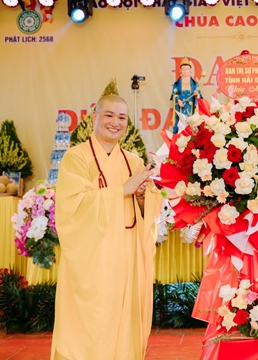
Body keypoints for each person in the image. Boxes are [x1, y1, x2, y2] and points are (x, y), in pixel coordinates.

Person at [51, 94, 162, 360]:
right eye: (109, 115)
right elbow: (71, 206)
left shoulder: (133, 161)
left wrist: (142, 196)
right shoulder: (76, 158)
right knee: (93, 321)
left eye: (122, 117)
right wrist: (122, 190)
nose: (115, 122)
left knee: (124, 318)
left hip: (127, 255)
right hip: (93, 259)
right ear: (95, 117)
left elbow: (151, 207)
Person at [170, 56, 202, 133]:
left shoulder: (194, 84)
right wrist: (178, 100)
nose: (185, 71)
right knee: (181, 127)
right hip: (180, 108)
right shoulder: (177, 84)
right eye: (183, 69)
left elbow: (199, 97)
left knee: (191, 127)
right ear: (180, 70)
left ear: (190, 70)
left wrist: (196, 95)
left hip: (191, 108)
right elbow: (174, 95)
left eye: (187, 69)